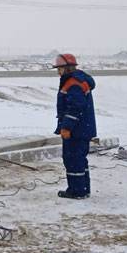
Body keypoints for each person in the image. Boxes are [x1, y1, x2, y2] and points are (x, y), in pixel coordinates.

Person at [51, 53, 96, 200]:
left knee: (73, 159)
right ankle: (83, 189)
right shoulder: (76, 80)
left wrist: (66, 127)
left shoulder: (73, 83)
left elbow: (76, 108)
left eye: (60, 69)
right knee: (79, 159)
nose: (58, 71)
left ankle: (76, 191)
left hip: (77, 130)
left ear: (68, 68)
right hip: (82, 128)